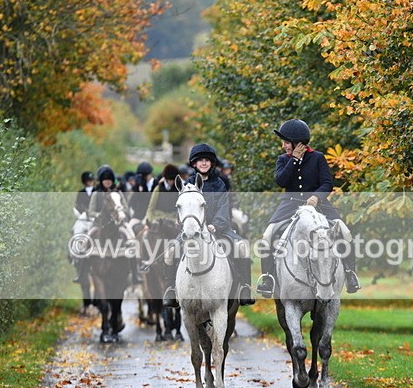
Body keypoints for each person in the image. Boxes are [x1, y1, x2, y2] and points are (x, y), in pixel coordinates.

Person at [256, 119, 361, 297]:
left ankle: (350, 274)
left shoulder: (318, 158)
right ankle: (268, 278)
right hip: (290, 204)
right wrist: (294, 160)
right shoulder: (283, 159)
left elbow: (327, 183)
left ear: (297, 143)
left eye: (286, 142)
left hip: (319, 205)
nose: (283, 146)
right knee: (268, 235)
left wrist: (317, 197)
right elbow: (281, 181)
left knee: (345, 232)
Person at [161, 144, 255, 308]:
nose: (203, 163)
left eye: (207, 160)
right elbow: (182, 208)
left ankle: (245, 287)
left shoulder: (220, 184)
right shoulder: (187, 184)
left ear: (211, 163)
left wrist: (215, 225)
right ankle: (171, 289)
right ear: (194, 163)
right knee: (170, 251)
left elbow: (223, 209)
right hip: (192, 231)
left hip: (219, 229)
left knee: (242, 247)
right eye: (200, 160)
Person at [88, 165, 143, 285]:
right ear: (101, 181)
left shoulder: (118, 193)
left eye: (109, 179)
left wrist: (119, 213)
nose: (107, 182)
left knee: (132, 240)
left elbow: (126, 209)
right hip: (99, 224)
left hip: (119, 224)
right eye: (105, 180)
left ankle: (135, 274)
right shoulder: (96, 194)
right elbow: (90, 211)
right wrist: (99, 215)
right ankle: (83, 271)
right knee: (86, 240)